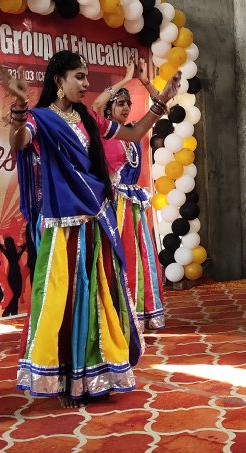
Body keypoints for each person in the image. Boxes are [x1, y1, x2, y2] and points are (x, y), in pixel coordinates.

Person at [0, 50, 180, 407]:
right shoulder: (40, 119)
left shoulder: (87, 117)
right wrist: (19, 106)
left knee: (96, 295)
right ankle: (64, 378)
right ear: (59, 80)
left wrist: (161, 102)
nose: (85, 83)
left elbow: (133, 134)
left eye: (86, 77)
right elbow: (18, 143)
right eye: (79, 77)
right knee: (62, 299)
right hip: (63, 226)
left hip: (96, 219)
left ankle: (96, 372)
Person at [91, 57, 165, 330]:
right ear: (109, 110)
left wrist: (144, 81)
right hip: (114, 206)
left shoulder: (134, 131)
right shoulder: (102, 133)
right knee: (123, 258)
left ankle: (146, 311)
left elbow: (162, 107)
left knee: (144, 256)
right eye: (120, 103)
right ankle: (123, 314)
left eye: (128, 103)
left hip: (133, 206)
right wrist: (125, 78)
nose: (126, 108)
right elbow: (95, 106)